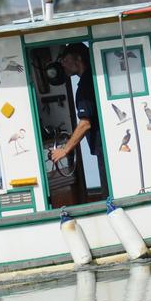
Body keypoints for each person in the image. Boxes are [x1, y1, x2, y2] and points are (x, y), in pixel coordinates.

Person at [48, 43, 107, 193]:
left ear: (78, 59)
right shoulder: (93, 78)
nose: (63, 64)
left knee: (108, 192)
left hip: (104, 149)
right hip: (106, 146)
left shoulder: (85, 86)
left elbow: (85, 123)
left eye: (65, 60)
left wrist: (64, 150)